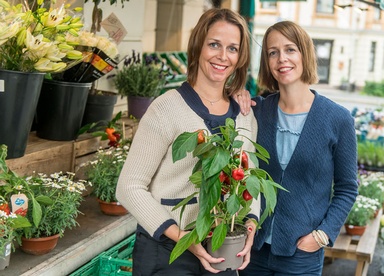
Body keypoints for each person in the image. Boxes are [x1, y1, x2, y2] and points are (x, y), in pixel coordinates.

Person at [116, 8, 259, 275]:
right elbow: (129, 186)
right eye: (214, 44)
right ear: (197, 47)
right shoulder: (167, 108)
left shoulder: (244, 116)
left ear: (240, 58)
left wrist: (249, 226)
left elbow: (251, 180)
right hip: (167, 250)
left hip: (224, 247)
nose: (222, 56)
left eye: (232, 48)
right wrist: (183, 237)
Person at [239, 21, 359, 275]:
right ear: (267, 61)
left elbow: (347, 188)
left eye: (290, 49)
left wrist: (322, 235)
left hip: (301, 255)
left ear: (305, 54)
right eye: (273, 52)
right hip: (253, 248)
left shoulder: (337, 119)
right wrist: (235, 97)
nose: (282, 58)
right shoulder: (258, 111)